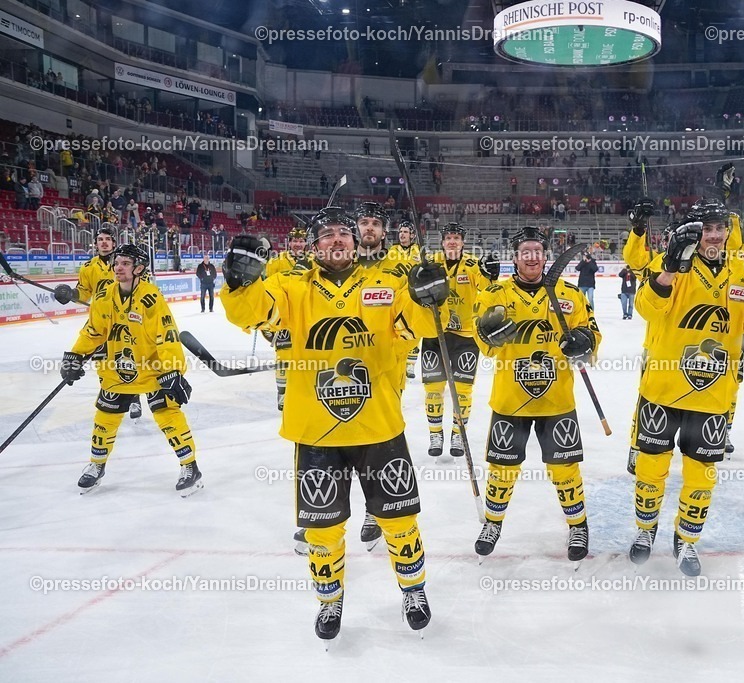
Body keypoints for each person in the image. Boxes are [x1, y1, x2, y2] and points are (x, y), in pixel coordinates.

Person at [220, 207, 449, 641]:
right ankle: (330, 601)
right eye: (327, 235)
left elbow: (418, 327)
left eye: (344, 233)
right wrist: (238, 281)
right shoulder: (289, 287)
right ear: (313, 244)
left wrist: (428, 295)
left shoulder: (386, 284)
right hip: (316, 433)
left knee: (399, 521)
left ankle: (414, 591)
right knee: (322, 530)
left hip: (378, 427)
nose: (338, 240)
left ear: (356, 240)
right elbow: (251, 314)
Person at [628, 200, 744, 575]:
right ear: (695, 231)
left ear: (728, 231)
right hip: (662, 389)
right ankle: (645, 531)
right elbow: (647, 309)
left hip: (713, 396)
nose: (713, 235)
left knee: (702, 475)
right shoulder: (674, 263)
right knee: (649, 470)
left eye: (719, 228)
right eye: (706, 228)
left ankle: (687, 541)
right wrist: (668, 269)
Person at [471, 226, 601, 565]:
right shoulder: (494, 295)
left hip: (556, 400)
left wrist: (585, 342)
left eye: (537, 251)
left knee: (565, 469)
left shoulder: (569, 294)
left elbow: (593, 333)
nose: (532, 257)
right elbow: (483, 343)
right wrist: (490, 334)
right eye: (525, 251)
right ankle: (493, 523)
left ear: (545, 256)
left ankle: (577, 526)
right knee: (502, 468)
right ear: (514, 257)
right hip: (510, 401)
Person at [59, 244, 201, 496]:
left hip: (153, 369)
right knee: (104, 418)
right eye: (116, 263)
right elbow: (93, 331)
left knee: (168, 415)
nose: (118, 268)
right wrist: (75, 354)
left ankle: (190, 466)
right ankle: (96, 465)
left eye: (125, 263)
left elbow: (167, 335)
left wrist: (172, 370)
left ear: (139, 268)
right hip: (117, 368)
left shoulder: (151, 297)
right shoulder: (104, 296)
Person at [422, 222, 499, 458]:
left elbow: (488, 292)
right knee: (433, 389)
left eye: (456, 237)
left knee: (463, 390)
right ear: (442, 242)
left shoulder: (473, 265)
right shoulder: (430, 262)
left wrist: (491, 276)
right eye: (449, 238)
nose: (452, 241)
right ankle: (436, 433)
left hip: (466, 336)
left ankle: (458, 433)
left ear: (463, 242)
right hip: (434, 333)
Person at [54, 228, 145, 422]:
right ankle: (109, 390)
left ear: (113, 242)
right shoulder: (88, 267)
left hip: (125, 319)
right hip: (101, 320)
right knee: (103, 360)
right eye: (100, 239)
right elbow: (84, 292)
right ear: (96, 243)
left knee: (127, 359)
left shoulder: (124, 262)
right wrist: (71, 294)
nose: (103, 242)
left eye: (107, 239)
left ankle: (134, 397)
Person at [264, 226, 313, 411]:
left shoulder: (314, 261)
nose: (298, 244)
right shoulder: (276, 262)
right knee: (283, 355)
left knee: (310, 355)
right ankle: (283, 393)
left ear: (306, 243)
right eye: (295, 241)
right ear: (289, 242)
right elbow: (267, 291)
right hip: (283, 318)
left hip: (308, 316)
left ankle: (306, 389)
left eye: (301, 241)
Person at [387, 220, 423, 379]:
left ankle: (410, 365)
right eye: (400, 232)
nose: (402, 234)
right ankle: (396, 359)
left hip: (413, 295)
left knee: (414, 329)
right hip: (396, 296)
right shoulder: (392, 250)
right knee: (397, 329)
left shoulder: (419, 250)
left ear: (412, 235)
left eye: (405, 232)